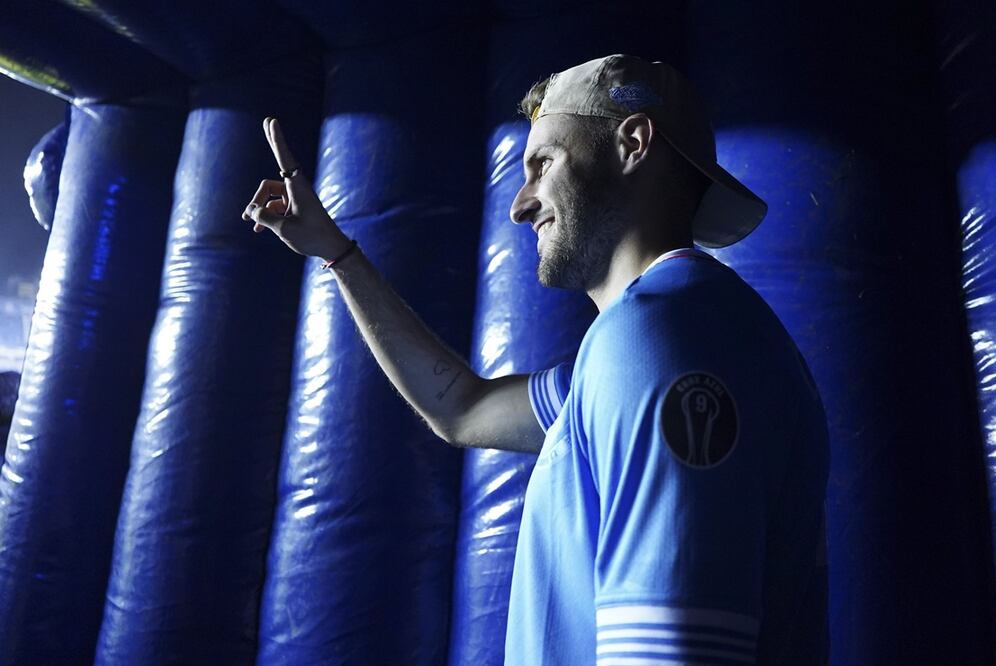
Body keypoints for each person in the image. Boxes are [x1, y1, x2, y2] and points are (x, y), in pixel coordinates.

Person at [243, 54, 829, 665]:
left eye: (543, 163)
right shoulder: (689, 336)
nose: (520, 205)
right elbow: (461, 409)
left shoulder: (653, 346)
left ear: (633, 144)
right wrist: (336, 252)